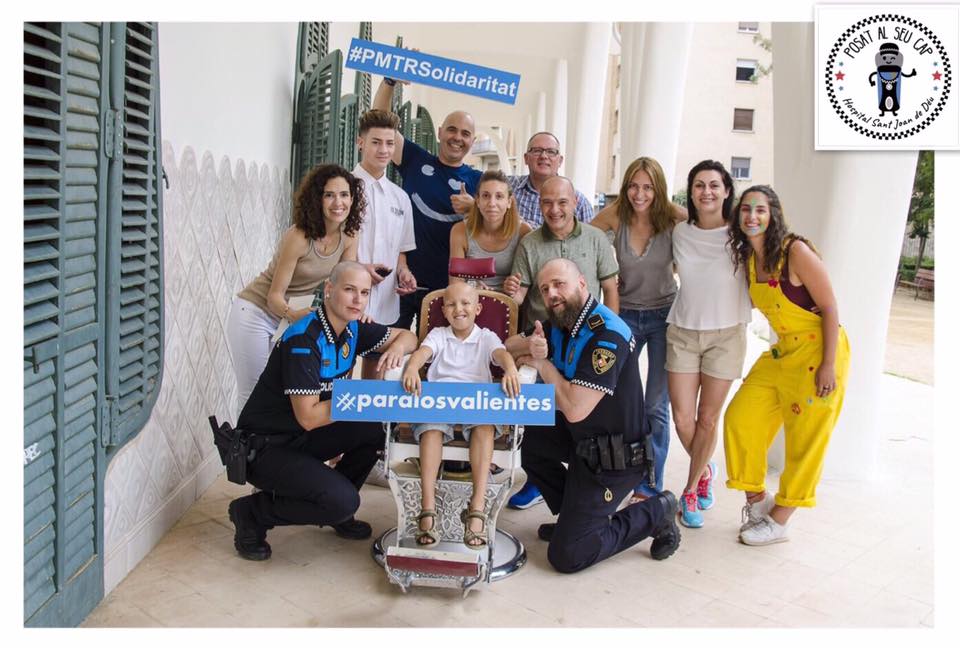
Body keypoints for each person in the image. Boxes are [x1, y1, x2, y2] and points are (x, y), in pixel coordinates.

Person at [227, 261, 418, 561]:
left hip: (302, 438)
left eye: (364, 293)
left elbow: (408, 337)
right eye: (349, 290)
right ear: (329, 290)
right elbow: (309, 416)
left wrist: (395, 349)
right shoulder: (304, 339)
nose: (358, 299)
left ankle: (333, 506)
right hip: (266, 448)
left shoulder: (353, 328)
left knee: (372, 428)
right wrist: (360, 395)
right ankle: (251, 513)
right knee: (344, 501)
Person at [505, 259, 681, 573]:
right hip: (584, 442)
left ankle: (656, 511)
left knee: (568, 555)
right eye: (545, 289)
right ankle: (576, 515)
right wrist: (528, 346)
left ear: (583, 284)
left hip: (615, 458)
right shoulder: (561, 322)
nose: (552, 294)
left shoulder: (606, 335)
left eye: (559, 284)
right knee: (530, 439)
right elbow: (509, 345)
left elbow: (574, 408)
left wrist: (542, 364)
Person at [722, 186, 851, 546]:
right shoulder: (748, 256)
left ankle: (780, 519)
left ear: (773, 213)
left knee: (805, 440)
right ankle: (757, 500)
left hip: (817, 355)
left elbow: (830, 308)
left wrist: (828, 364)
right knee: (740, 419)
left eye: (760, 210)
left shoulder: (796, 251)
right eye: (745, 209)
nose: (751, 216)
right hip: (781, 353)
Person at [505, 175, 619, 510]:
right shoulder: (530, 244)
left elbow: (610, 289)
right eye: (547, 203)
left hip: (587, 339)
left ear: (575, 203)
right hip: (545, 338)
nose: (554, 210)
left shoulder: (597, 239)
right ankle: (541, 482)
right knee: (540, 421)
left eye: (562, 202)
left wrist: (612, 333)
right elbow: (522, 297)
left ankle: (589, 484)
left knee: (580, 411)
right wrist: (513, 295)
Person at [226, 164, 362, 411]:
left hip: (290, 319)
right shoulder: (299, 236)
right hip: (257, 312)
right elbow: (273, 297)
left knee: (282, 393)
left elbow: (346, 283)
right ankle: (241, 449)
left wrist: (358, 308)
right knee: (254, 393)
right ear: (317, 199)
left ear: (353, 199)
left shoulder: (349, 236)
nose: (337, 202)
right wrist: (293, 315)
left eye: (344, 195)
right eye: (329, 195)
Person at [590, 157, 686, 505]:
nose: (640, 194)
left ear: (658, 189)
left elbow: (706, 227)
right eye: (634, 185)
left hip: (664, 317)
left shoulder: (673, 217)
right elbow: (583, 234)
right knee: (619, 398)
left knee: (656, 404)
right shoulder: (616, 214)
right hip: (625, 314)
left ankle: (649, 482)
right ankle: (620, 470)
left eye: (647, 187)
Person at [400, 282, 521, 548]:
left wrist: (510, 368)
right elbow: (423, 352)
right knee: (431, 427)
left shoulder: (486, 336)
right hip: (441, 401)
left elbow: (501, 354)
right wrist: (412, 367)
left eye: (466, 303)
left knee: (484, 426)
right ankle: (428, 507)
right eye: (452, 304)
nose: (459, 309)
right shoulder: (439, 335)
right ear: (444, 310)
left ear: (477, 308)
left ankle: (476, 508)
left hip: (475, 403)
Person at [666, 160, 753, 528]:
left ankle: (690, 491)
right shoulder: (679, 231)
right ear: (690, 192)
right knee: (683, 418)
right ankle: (705, 470)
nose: (707, 192)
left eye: (714, 185)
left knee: (707, 418)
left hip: (727, 334)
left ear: (727, 191)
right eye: (699, 185)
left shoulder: (742, 233)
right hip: (683, 330)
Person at [372, 78, 482, 330]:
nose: (457, 137)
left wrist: (475, 208)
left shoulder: (478, 181)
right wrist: (389, 82)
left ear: (472, 142)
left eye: (465, 133)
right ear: (440, 132)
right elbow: (380, 121)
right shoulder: (415, 159)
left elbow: (501, 221)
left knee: (432, 359)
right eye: (452, 130)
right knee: (380, 348)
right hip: (398, 280)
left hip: (446, 291)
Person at [351, 109, 418, 379]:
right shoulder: (345, 188)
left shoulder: (400, 198)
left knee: (374, 371)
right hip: (350, 296)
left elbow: (401, 251)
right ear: (360, 142)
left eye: (389, 143)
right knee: (340, 370)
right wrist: (359, 269)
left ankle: (369, 423)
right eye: (376, 142)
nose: (384, 150)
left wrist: (404, 273)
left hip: (387, 300)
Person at [449, 169, 533, 292]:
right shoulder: (460, 230)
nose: (492, 203)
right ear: (477, 201)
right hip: (469, 300)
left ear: (509, 202)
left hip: (510, 302)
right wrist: (473, 285)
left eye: (499, 196)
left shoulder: (523, 231)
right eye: (486, 196)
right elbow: (455, 282)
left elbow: (526, 282)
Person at [508, 132, 594, 227]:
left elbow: (591, 239)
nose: (544, 156)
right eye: (537, 151)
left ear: (560, 161)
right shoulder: (508, 187)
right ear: (526, 158)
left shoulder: (579, 202)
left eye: (551, 152)